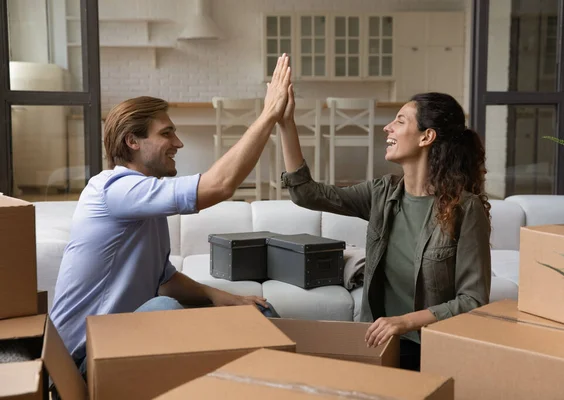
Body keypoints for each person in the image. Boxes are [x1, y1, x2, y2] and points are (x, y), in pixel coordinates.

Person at [50, 54, 292, 377]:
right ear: (132, 141)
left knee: (259, 311)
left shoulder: (146, 206)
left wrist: (228, 299)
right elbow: (219, 185)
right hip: (82, 359)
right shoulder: (111, 189)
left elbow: (164, 280)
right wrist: (269, 115)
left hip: (118, 344)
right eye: (166, 134)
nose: (178, 143)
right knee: (163, 311)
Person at [278, 87, 491, 371]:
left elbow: (473, 300)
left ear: (427, 137)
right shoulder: (382, 193)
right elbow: (305, 193)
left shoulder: (466, 209)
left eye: (400, 121)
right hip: (376, 343)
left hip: (429, 348)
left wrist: (404, 322)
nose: (387, 128)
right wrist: (285, 123)